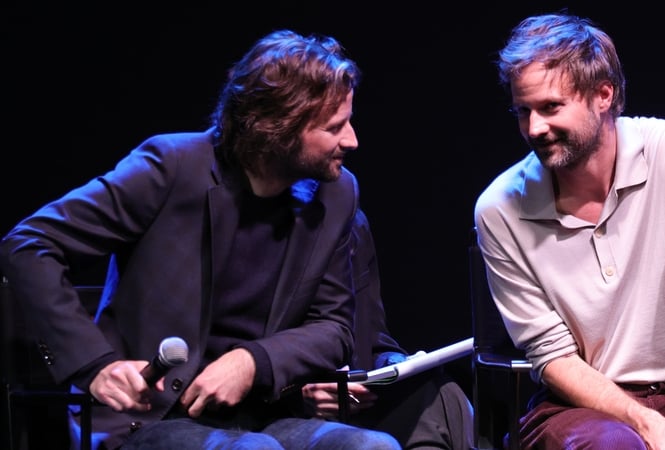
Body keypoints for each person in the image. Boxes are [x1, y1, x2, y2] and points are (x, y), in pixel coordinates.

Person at [0, 30, 402, 450]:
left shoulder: (335, 194)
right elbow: (29, 244)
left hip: (267, 417)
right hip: (150, 418)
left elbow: (333, 326)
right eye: (334, 127)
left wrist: (252, 362)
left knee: (373, 447)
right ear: (275, 128)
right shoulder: (171, 167)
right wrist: (93, 364)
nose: (352, 140)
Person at [473, 13, 665, 450]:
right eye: (523, 111)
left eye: (551, 107)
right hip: (578, 406)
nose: (534, 128)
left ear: (603, 95)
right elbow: (551, 356)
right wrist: (643, 421)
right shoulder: (499, 208)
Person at [299, 208, 474, 449]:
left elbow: (374, 339)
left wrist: (395, 362)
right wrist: (300, 397)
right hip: (302, 408)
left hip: (361, 398)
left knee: (445, 394)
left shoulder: (352, 221)